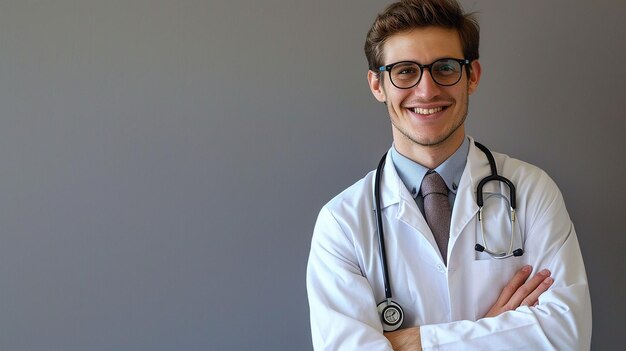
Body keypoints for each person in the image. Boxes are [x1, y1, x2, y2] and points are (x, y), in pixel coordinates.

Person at [306, 0, 592, 350]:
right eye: (405, 71)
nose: (426, 90)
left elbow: (566, 336)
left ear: (472, 76)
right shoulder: (341, 223)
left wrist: (414, 341)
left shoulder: (532, 191)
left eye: (444, 67)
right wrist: (492, 329)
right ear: (378, 85)